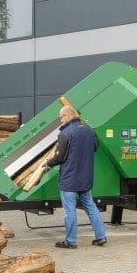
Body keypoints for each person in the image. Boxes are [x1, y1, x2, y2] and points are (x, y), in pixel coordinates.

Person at [44, 105, 107, 249]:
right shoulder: (89, 131)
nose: (61, 121)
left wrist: (48, 163)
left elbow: (59, 157)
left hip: (69, 179)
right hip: (85, 177)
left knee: (69, 210)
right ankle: (101, 236)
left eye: (61, 117)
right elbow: (95, 148)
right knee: (91, 207)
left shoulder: (65, 133)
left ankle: (71, 241)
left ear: (68, 116)